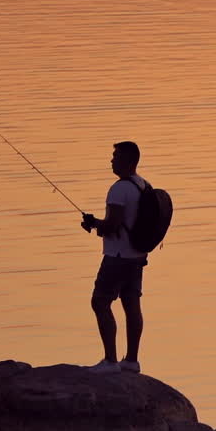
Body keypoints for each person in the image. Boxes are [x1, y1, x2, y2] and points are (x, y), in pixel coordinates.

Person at [80, 141, 149, 373]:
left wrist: (94, 224)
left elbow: (113, 225)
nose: (112, 160)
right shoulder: (143, 185)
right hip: (137, 256)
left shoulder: (119, 189)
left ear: (128, 161)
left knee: (100, 302)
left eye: (116, 156)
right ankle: (131, 360)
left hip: (117, 256)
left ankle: (110, 360)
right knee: (132, 304)